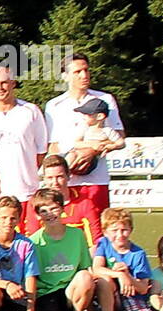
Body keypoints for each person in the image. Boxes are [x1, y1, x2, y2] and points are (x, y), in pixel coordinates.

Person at [44, 53, 125, 212]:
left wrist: (92, 150)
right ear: (65, 76)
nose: (84, 75)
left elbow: (119, 136)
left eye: (86, 70)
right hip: (66, 183)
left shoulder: (106, 100)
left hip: (96, 180)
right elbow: (53, 146)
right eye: (77, 72)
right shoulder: (54, 105)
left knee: (97, 230)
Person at [28, 188, 96, 311]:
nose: (50, 214)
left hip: (70, 292)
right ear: (38, 215)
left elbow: (85, 269)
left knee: (85, 276)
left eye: (54, 208)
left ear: (62, 209)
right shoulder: (34, 242)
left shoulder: (77, 235)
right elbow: (30, 278)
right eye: (44, 211)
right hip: (46, 294)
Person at [0, 67, 48, 202]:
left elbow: (41, 152)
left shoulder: (31, 111)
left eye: (4, 83)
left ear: (13, 83)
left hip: (26, 193)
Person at [89, 208, 155, 311]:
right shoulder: (104, 243)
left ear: (130, 230)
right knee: (103, 280)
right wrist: (120, 275)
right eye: (114, 231)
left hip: (132, 296)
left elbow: (142, 288)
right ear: (105, 232)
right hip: (109, 295)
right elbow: (97, 268)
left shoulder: (138, 254)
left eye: (124, 230)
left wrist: (128, 276)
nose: (120, 235)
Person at [22, 155, 102, 246]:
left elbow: (95, 242)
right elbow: (32, 239)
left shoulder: (84, 203)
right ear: (44, 179)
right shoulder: (35, 202)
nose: (55, 183)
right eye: (50, 178)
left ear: (68, 176)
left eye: (59, 177)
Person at [65, 98, 125, 172]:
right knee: (71, 156)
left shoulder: (107, 130)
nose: (84, 117)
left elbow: (121, 143)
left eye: (87, 115)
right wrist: (92, 145)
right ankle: (66, 171)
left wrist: (111, 146)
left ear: (99, 116)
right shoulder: (85, 129)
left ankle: (68, 171)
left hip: (93, 161)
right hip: (78, 154)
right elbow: (76, 143)